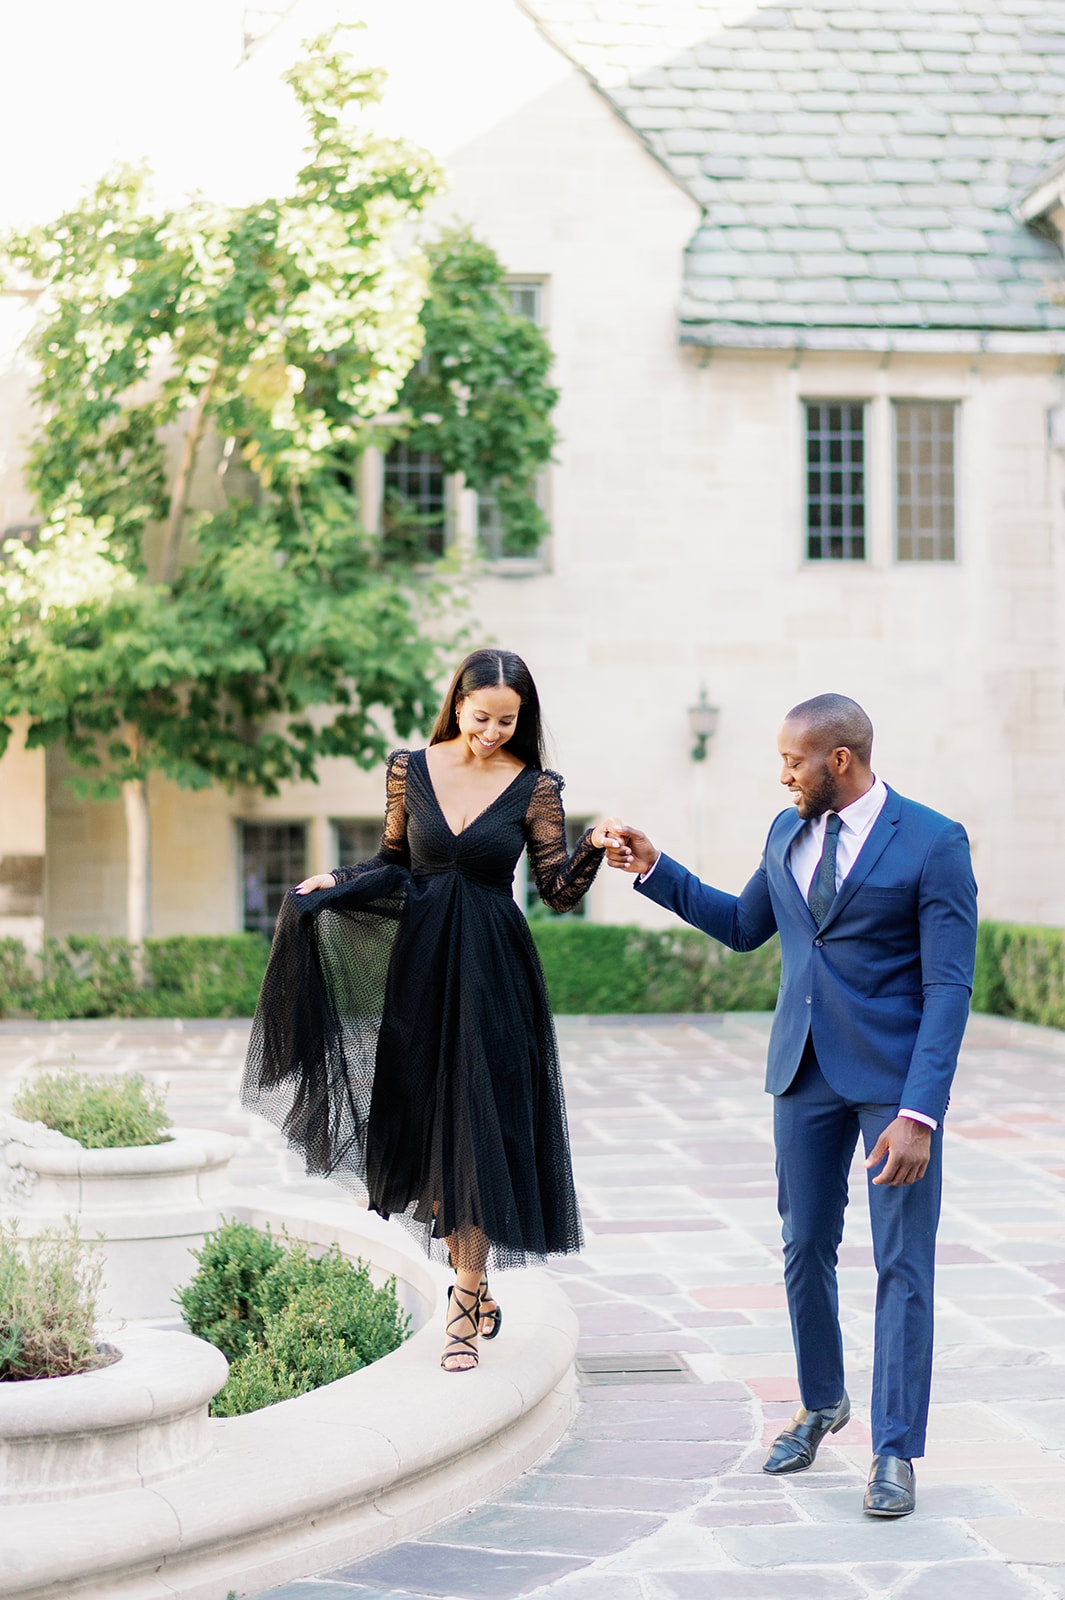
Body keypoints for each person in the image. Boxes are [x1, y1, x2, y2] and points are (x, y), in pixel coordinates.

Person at [604, 694, 977, 1517]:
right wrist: (653, 867)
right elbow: (742, 926)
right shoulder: (787, 832)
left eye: (791, 762)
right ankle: (820, 1402)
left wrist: (920, 1112)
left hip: (892, 1087)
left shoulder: (932, 841)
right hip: (801, 1074)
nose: (781, 776)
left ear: (837, 759)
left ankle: (893, 1449)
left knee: (900, 1265)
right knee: (803, 1245)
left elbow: (949, 986)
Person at [241, 648, 620, 1373]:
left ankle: (463, 1300)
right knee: (431, 1134)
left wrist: (593, 848)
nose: (492, 733)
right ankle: (472, 1284)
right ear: (457, 705)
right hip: (421, 974)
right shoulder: (407, 769)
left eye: (508, 722)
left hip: (492, 976)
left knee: (477, 1133)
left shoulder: (534, 785)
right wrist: (339, 879)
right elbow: (394, 862)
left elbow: (558, 890)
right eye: (482, 718)